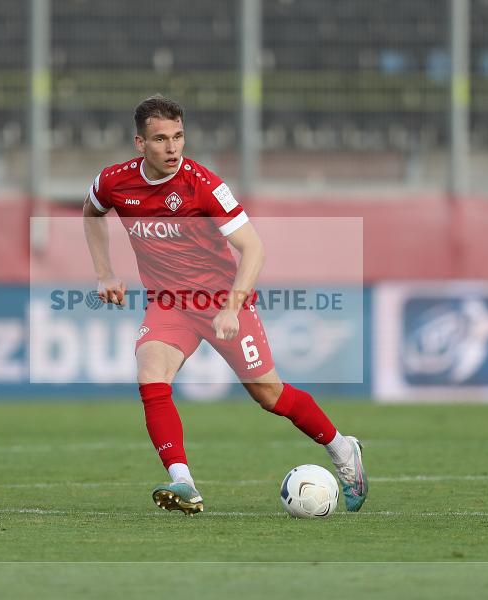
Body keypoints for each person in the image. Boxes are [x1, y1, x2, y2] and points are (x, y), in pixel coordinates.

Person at [82, 94, 366, 515]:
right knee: (150, 373)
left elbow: (253, 249)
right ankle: (183, 483)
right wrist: (104, 272)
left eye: (178, 136)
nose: (173, 147)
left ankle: (344, 451)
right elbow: (92, 212)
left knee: (269, 395)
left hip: (219, 301)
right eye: (160, 139)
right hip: (169, 304)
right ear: (140, 143)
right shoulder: (115, 181)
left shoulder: (204, 185)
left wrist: (232, 306)